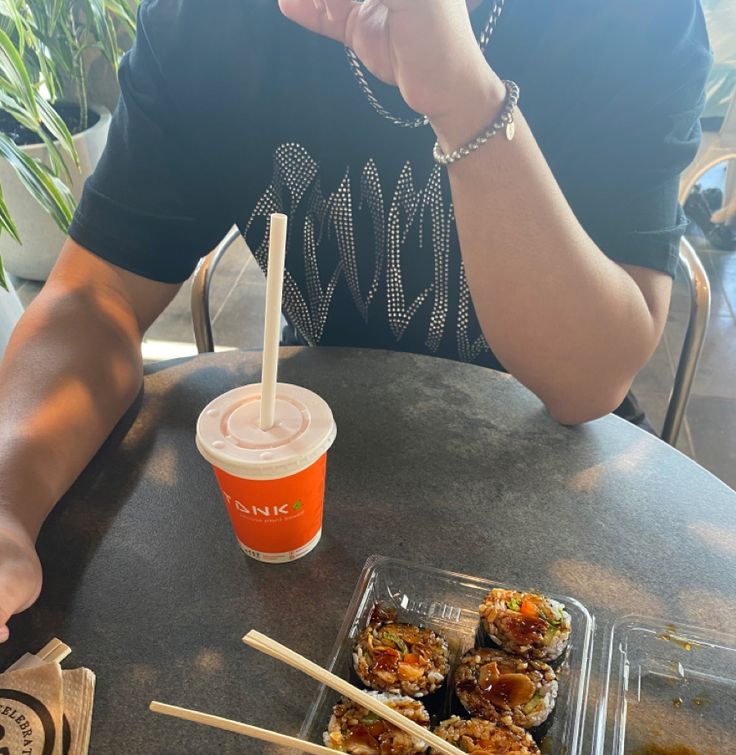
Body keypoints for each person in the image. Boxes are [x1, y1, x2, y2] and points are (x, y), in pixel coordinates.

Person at [0, 0, 711, 642]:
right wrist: (7, 499)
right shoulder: (204, 24)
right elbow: (96, 297)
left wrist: (461, 96)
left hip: (562, 476)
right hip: (328, 469)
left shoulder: (635, 20)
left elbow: (587, 379)